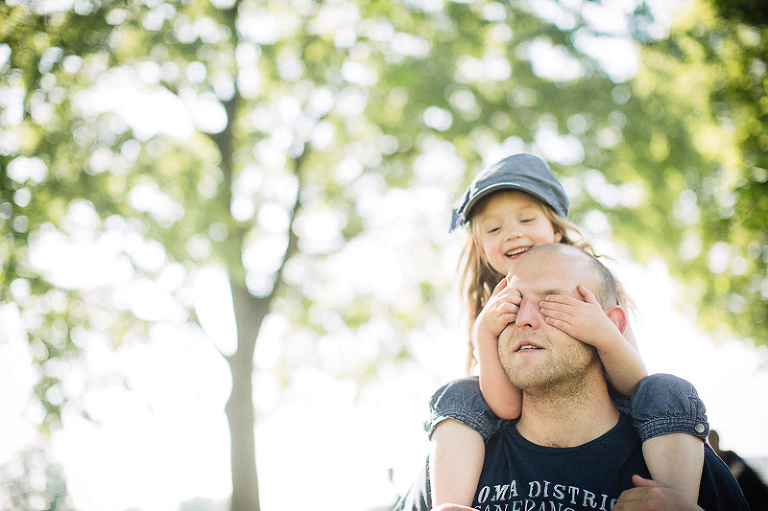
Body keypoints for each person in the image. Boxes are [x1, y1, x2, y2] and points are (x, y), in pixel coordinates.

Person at [427, 154, 710, 508]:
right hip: (531, 410)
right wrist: (484, 336)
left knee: (665, 389)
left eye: (527, 219)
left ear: (556, 229)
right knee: (459, 395)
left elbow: (634, 384)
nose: (512, 232)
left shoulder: (588, 279)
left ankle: (672, 498)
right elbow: (506, 406)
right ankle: (450, 503)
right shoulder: (494, 303)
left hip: (606, 404)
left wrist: (602, 332)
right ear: (483, 249)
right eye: (494, 229)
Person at [394, 243, 748, 511]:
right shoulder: (455, 462)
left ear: (610, 325)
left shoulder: (682, 459)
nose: (524, 319)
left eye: (552, 302)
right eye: (512, 304)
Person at [708, 429, 768, 510]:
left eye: (714, 438)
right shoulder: (714, 459)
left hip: (756, 493)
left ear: (718, 440)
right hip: (746, 496)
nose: (713, 441)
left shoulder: (729, 455)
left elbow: (736, 470)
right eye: (710, 439)